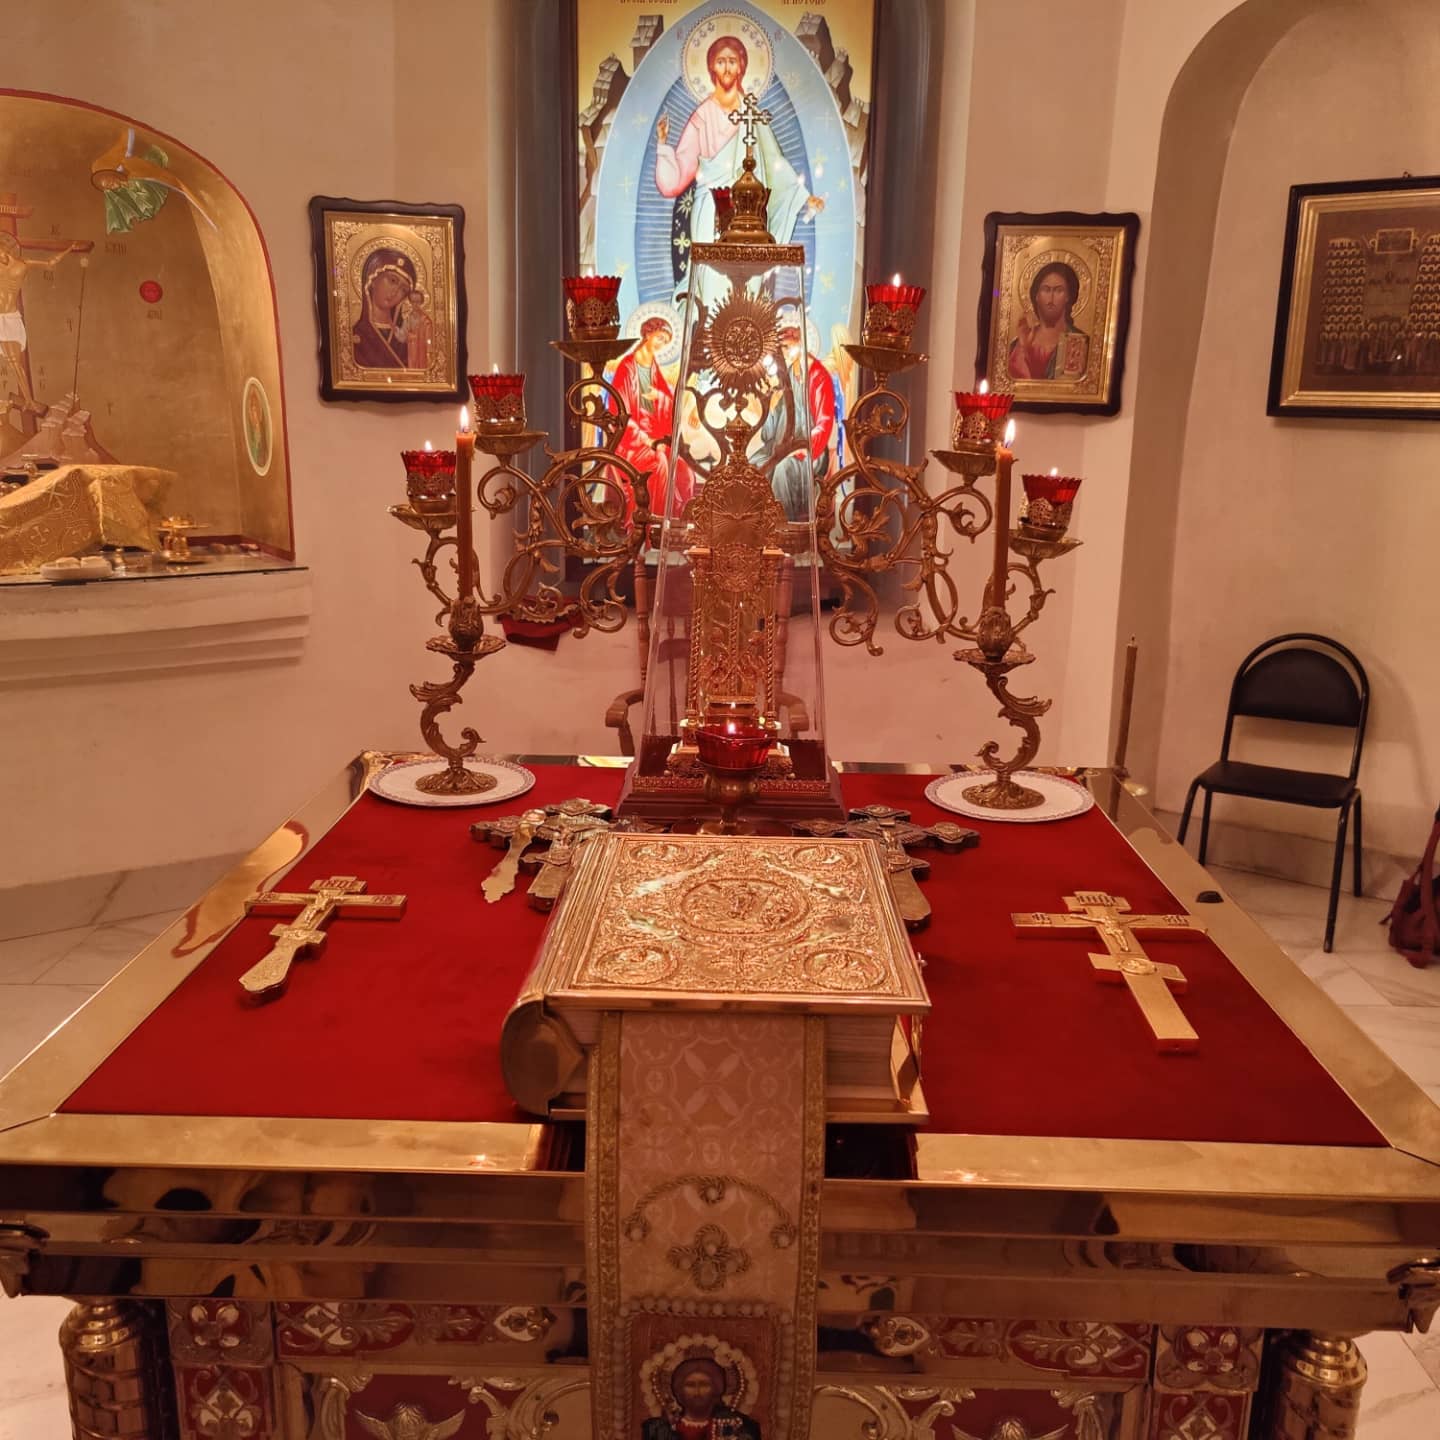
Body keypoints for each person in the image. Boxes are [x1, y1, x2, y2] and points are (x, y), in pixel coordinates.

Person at [654, 36, 822, 298]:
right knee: (710, 283)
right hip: (710, 210)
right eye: (721, 61)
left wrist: (802, 196)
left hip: (750, 214)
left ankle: (748, 325)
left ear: (742, 67)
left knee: (749, 285)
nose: (727, 67)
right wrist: (663, 145)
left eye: (732, 61)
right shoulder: (703, 115)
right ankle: (709, 326)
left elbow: (775, 162)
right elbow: (679, 172)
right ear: (712, 67)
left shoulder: (751, 111)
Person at [609, 316, 692, 523]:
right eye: (659, 338)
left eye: (665, 341)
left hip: (655, 439)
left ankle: (677, 525)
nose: (661, 344)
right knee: (660, 463)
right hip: (630, 443)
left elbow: (670, 403)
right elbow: (620, 415)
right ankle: (652, 528)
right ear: (648, 334)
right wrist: (648, 441)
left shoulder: (653, 367)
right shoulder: (627, 367)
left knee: (685, 471)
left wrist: (659, 397)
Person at [752, 320, 835, 523]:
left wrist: (802, 447)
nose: (785, 353)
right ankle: (756, 527)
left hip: (808, 450)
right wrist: (771, 405)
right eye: (782, 349)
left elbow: (824, 422)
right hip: (782, 445)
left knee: (783, 469)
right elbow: (770, 433)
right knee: (753, 466)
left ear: (800, 344)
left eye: (788, 347)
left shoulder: (818, 375)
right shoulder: (788, 373)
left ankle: (783, 528)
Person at [0, 234, 81, 415]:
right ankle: (27, 401)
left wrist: (69, 248)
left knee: (14, 362)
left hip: (9, 317)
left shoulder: (22, 264)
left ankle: (29, 400)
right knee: (11, 362)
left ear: (5, 249)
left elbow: (50, 263)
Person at [641, 1357, 760, 1440]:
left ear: (716, 1389)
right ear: (679, 1391)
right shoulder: (657, 1430)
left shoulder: (740, 1426)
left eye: (704, 1384)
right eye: (690, 1385)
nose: (697, 1391)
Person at [1008, 260, 1088, 381]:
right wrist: (1022, 347)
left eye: (1058, 290)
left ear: (1068, 296)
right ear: (1036, 295)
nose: (1051, 298)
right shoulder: (1018, 344)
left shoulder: (1078, 341)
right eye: (1046, 289)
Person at [352, 248, 417, 369]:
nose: (395, 291)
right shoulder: (356, 336)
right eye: (392, 280)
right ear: (373, 279)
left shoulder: (405, 338)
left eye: (403, 290)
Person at [397, 287, 433, 370]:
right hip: (412, 349)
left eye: (418, 302)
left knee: (422, 366)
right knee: (412, 366)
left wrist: (429, 350)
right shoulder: (408, 318)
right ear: (410, 302)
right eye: (413, 302)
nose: (415, 304)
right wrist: (398, 332)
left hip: (422, 349)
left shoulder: (426, 320)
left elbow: (429, 338)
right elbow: (403, 335)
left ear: (421, 303)